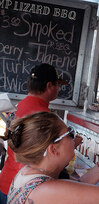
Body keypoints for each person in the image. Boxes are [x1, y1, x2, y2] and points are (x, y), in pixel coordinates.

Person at [0, 63, 78, 203]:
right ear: (49, 86)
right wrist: (70, 143)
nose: (59, 89)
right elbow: (45, 158)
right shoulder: (43, 118)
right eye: (57, 85)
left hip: (10, 182)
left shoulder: (16, 108)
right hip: (28, 189)